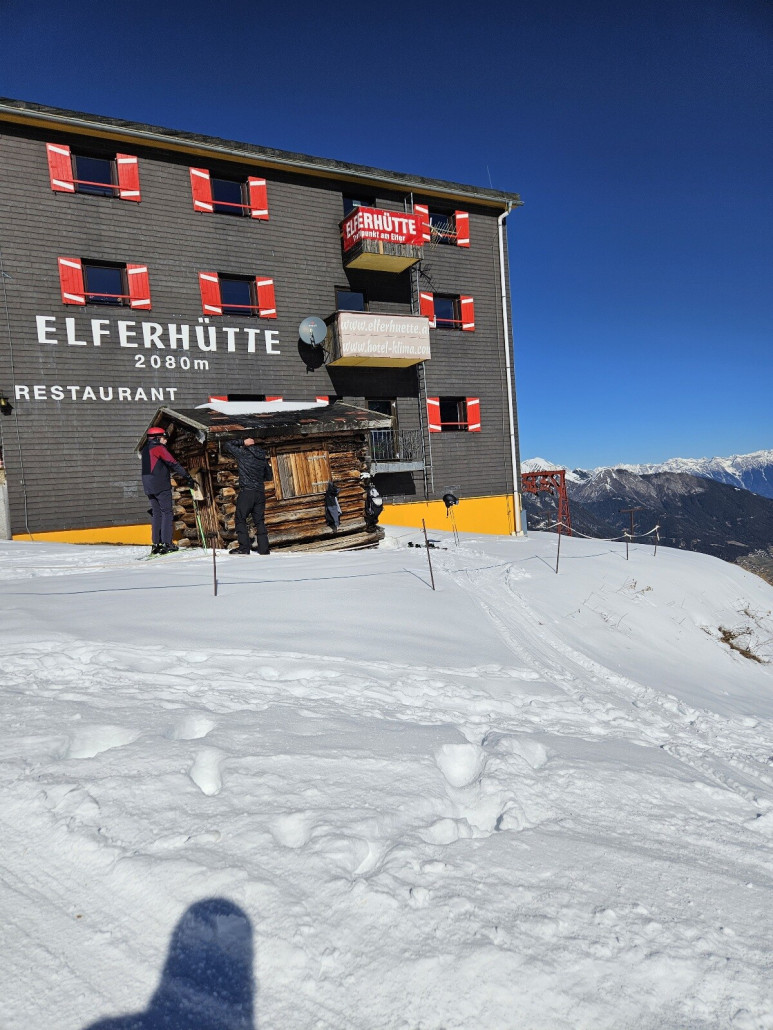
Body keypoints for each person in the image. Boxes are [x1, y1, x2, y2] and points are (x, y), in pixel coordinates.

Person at [140, 426, 194, 555]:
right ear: (157, 438)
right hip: (160, 485)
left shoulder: (145, 449)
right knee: (167, 513)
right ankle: (167, 543)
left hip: (148, 486)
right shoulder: (158, 448)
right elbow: (173, 463)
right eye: (164, 438)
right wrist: (187, 476)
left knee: (157, 513)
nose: (166, 441)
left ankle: (156, 544)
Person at [222, 436, 273, 555]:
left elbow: (227, 444)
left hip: (247, 492)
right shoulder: (262, 458)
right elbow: (269, 476)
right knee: (259, 521)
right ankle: (264, 549)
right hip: (260, 492)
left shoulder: (243, 454)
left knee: (240, 519)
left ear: (246, 445)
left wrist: (241, 441)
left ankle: (244, 548)